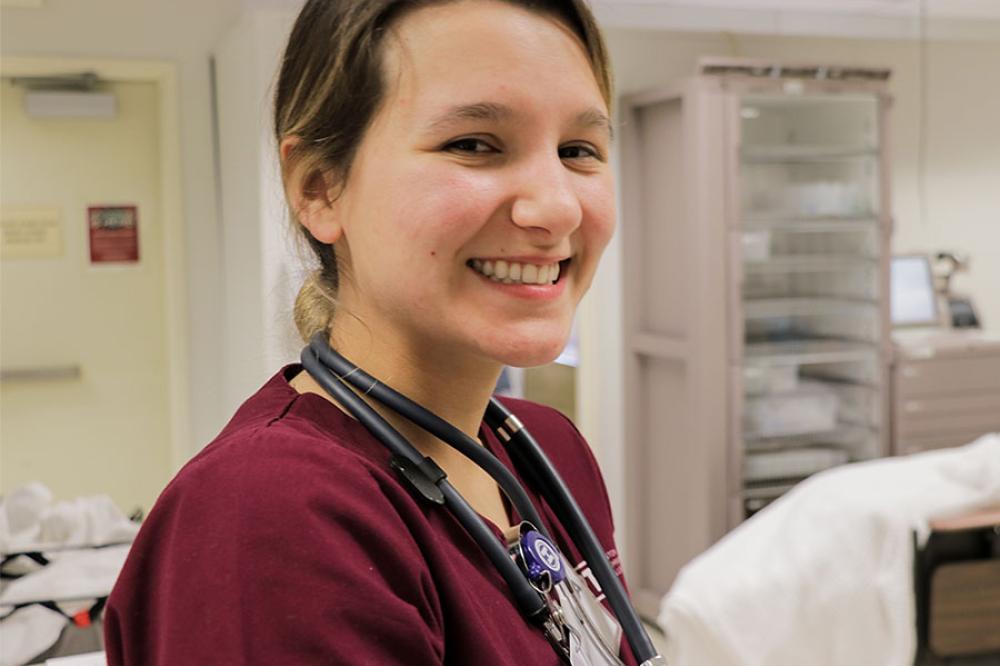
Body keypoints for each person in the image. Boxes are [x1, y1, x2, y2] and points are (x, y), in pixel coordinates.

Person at [104, 0, 635, 663]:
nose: (555, 206)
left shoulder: (546, 450)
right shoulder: (274, 515)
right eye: (473, 143)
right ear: (321, 187)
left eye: (579, 149)